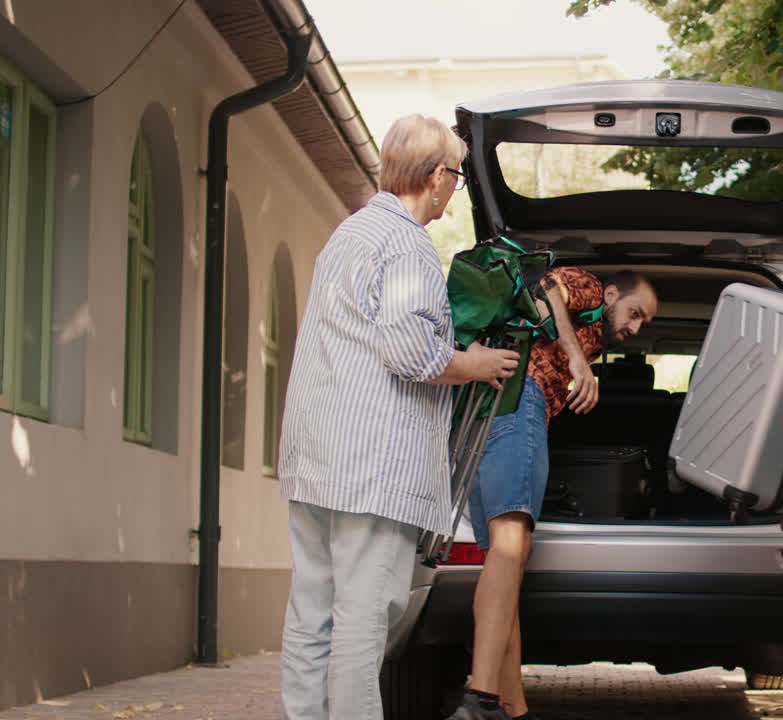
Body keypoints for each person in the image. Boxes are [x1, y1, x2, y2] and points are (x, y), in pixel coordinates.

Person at [277, 114, 521, 720]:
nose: (454, 190)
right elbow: (412, 355)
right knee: (362, 622)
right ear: (437, 177)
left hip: (315, 459)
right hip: (373, 469)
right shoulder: (408, 245)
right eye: (458, 177)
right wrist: (474, 363)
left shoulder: (350, 234)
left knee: (312, 615)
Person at [448, 269, 658, 720]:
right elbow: (547, 286)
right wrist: (577, 361)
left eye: (643, 322)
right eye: (635, 313)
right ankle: (481, 698)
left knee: (504, 562)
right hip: (518, 399)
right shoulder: (589, 287)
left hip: (482, 411)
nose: (636, 327)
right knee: (510, 548)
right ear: (612, 294)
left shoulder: (592, 331)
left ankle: (512, 707)